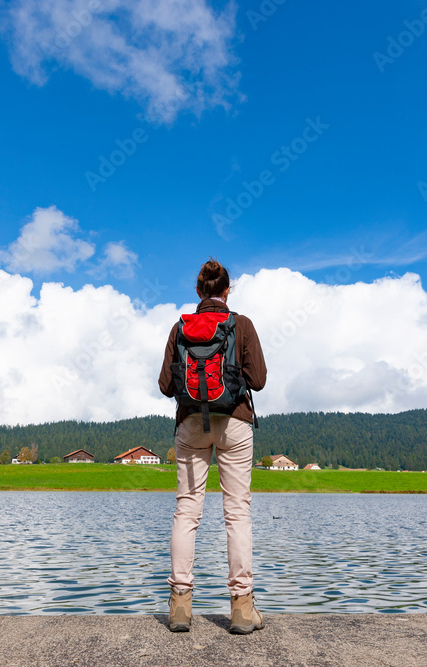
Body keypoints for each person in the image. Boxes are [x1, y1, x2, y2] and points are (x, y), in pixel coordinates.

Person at [158, 258, 267, 634]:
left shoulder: (180, 327)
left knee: (187, 513)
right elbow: (260, 379)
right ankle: (241, 608)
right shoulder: (242, 324)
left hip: (190, 424)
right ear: (226, 290)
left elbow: (165, 386)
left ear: (199, 291)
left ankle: (180, 607)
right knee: (237, 513)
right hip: (236, 422)